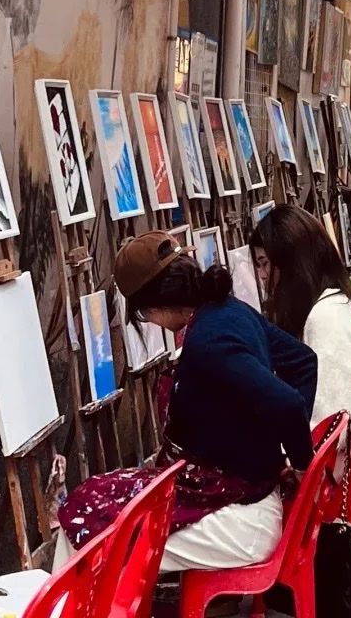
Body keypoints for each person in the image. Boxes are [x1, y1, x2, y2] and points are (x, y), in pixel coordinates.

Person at [57, 232, 316, 573]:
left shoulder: (209, 343)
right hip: (239, 491)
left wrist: (300, 467)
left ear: (154, 307)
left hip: (241, 516)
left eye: (144, 316)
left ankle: (65, 599)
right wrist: (277, 452)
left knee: (84, 522)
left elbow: (288, 404)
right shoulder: (230, 310)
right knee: (93, 496)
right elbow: (304, 362)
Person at [251, 205, 351, 428]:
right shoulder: (326, 304)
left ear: (291, 260)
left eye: (265, 263)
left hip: (321, 441)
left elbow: (334, 415)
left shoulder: (325, 315)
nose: (262, 275)